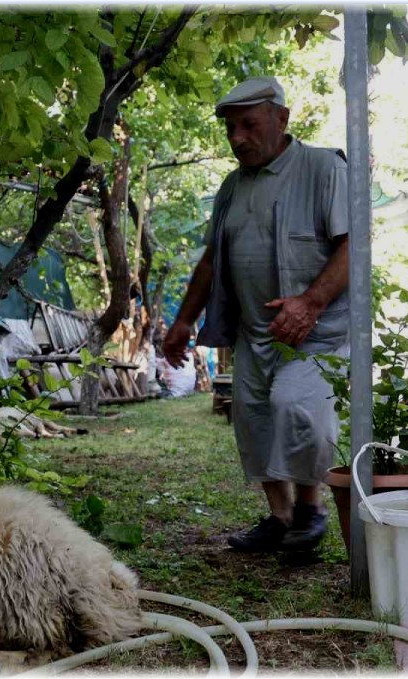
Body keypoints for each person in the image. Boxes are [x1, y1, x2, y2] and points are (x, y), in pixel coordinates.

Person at [161, 76, 351, 553]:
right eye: (230, 129)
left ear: (282, 119)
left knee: (297, 407)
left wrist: (310, 302)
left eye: (248, 125)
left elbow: (356, 247)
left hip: (318, 332)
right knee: (254, 419)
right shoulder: (231, 186)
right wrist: (184, 320)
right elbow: (210, 261)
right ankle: (280, 517)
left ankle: (311, 510)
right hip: (255, 332)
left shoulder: (323, 168)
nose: (236, 138)